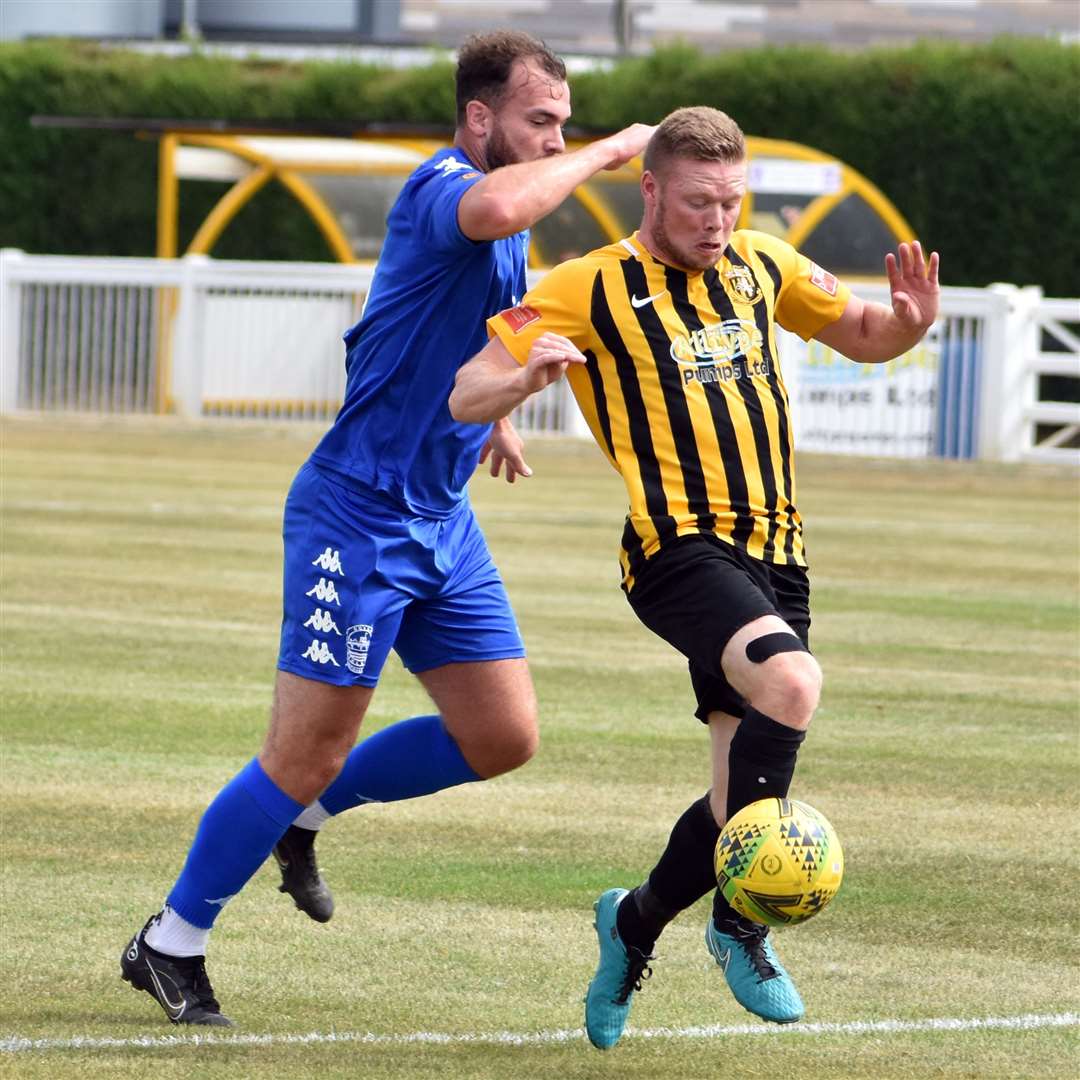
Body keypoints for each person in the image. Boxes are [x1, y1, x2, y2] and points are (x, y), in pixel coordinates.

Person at [120, 30, 653, 1027]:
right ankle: (170, 940)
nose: (556, 139)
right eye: (542, 120)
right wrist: (610, 152)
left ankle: (303, 823)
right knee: (304, 750)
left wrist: (495, 413)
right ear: (481, 117)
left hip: (441, 520)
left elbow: (478, 331)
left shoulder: (508, 226)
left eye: (567, 124)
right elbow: (496, 204)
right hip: (355, 517)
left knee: (502, 736)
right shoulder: (442, 187)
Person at [449, 105, 939, 1049]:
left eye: (732, 201)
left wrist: (913, 323)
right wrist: (522, 382)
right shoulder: (584, 286)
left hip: (777, 552)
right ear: (651, 190)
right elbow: (468, 388)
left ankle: (632, 924)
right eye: (699, 203)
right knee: (793, 682)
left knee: (731, 803)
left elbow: (869, 333)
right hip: (675, 550)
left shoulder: (764, 264)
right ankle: (741, 926)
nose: (718, 221)